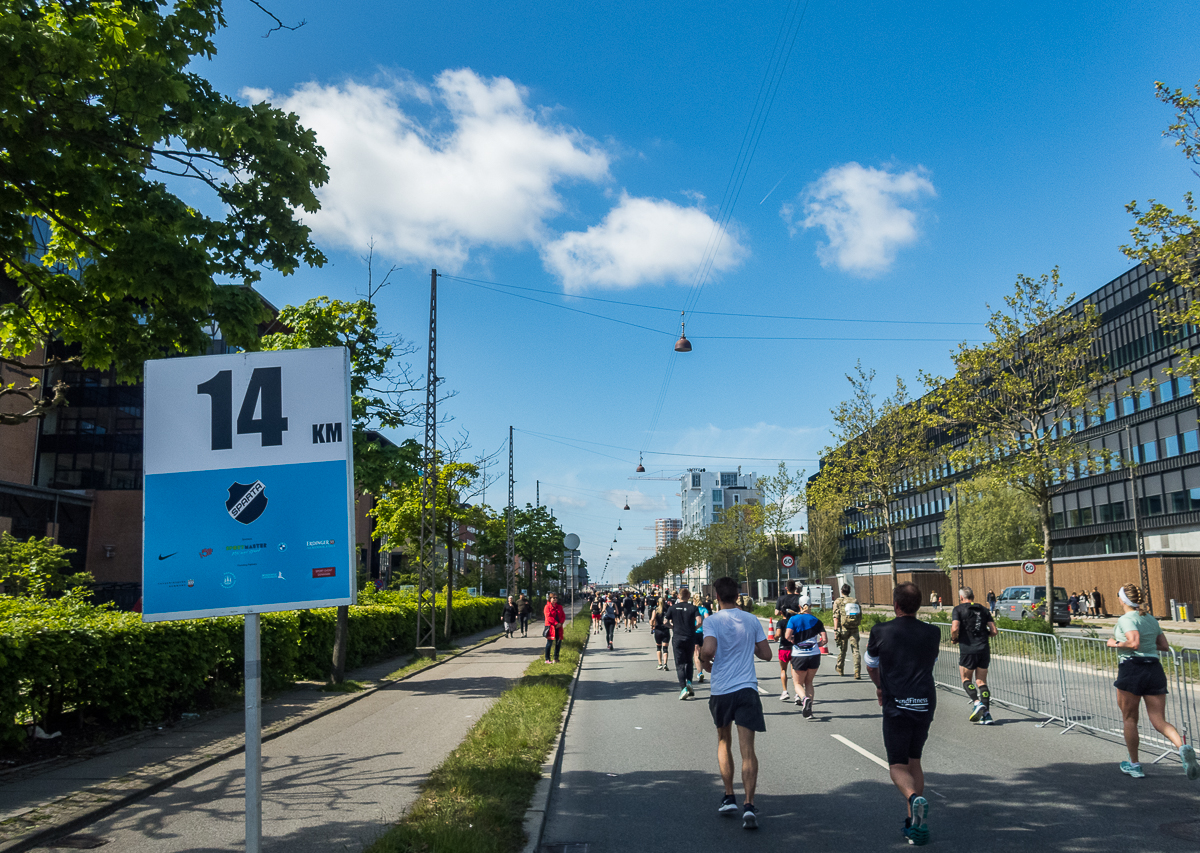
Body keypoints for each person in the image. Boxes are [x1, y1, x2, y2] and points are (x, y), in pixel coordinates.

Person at [865, 583, 940, 846]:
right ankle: (914, 824)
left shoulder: (880, 630)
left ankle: (912, 798)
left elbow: (871, 664)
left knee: (897, 765)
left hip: (897, 704)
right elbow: (931, 662)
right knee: (915, 760)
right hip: (924, 703)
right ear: (918, 605)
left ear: (895, 604)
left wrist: (880, 687)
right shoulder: (933, 632)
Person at [699, 576, 771, 830]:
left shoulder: (712, 620)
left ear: (717, 596)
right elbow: (766, 654)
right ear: (737, 596)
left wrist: (704, 659)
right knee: (748, 749)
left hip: (722, 691)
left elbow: (708, 650)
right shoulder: (751, 620)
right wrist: (747, 643)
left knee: (723, 741)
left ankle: (729, 796)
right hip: (747, 689)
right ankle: (749, 804)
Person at [1108, 582, 1199, 780]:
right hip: (1154, 669)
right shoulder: (1150, 618)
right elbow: (1164, 646)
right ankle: (1182, 747)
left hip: (1132, 668)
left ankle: (1134, 765)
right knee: (1159, 720)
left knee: (1130, 719)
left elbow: (1134, 643)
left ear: (1123, 599)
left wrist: (1114, 643)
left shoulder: (1126, 619)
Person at [951, 587, 998, 724]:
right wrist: (984, 635)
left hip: (968, 649)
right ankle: (987, 715)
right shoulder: (984, 609)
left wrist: (954, 638)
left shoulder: (958, 609)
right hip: (983, 648)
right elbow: (994, 631)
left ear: (961, 597)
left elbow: (955, 628)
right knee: (981, 682)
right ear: (973, 595)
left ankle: (977, 702)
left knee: (966, 679)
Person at [785, 595, 826, 718]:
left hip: (799, 655)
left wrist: (794, 642)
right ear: (811, 606)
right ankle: (809, 711)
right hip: (814, 655)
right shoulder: (817, 621)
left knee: (797, 683)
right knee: (809, 682)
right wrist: (815, 645)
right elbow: (824, 640)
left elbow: (787, 637)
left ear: (799, 606)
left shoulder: (793, 619)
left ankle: (804, 699)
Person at [668, 587, 701, 699]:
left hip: (678, 637)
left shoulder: (672, 608)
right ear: (689, 596)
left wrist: (673, 627)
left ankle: (683, 688)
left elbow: (665, 621)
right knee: (689, 661)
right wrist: (694, 628)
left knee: (680, 664)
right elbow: (700, 621)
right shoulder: (693, 608)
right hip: (690, 636)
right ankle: (689, 682)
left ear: (678, 596)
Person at [832, 583, 863, 679]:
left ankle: (840, 668)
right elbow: (860, 616)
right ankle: (857, 671)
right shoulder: (855, 601)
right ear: (849, 592)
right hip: (854, 628)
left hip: (843, 628)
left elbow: (836, 617)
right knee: (855, 650)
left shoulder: (838, 601)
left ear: (841, 591)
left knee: (842, 649)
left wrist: (835, 630)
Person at [774, 607, 794, 701]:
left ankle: (785, 691)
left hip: (784, 649)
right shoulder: (794, 622)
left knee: (783, 670)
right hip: (794, 649)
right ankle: (798, 693)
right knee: (795, 671)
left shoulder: (780, 623)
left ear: (781, 613)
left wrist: (776, 637)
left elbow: (778, 634)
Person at [543, 593, 566, 664]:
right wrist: (556, 623)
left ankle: (556, 658)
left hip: (559, 627)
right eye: (553, 598)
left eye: (556, 598)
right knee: (549, 643)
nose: (555, 599)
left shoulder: (559, 607)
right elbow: (548, 617)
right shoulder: (547, 607)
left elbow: (563, 615)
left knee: (558, 642)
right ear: (550, 599)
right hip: (551, 627)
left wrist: (561, 623)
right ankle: (547, 659)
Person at [651, 598, 672, 670]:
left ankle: (660, 664)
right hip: (666, 630)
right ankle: (665, 664)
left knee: (658, 647)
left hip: (658, 630)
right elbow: (670, 619)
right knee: (665, 648)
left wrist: (652, 626)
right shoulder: (667, 610)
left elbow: (652, 619)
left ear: (657, 603)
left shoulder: (656, 610)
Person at [694, 597, 710, 683]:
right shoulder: (704, 609)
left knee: (696, 653)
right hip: (703, 633)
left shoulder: (692, 609)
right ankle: (703, 670)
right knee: (702, 653)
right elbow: (707, 619)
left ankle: (700, 672)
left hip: (695, 632)